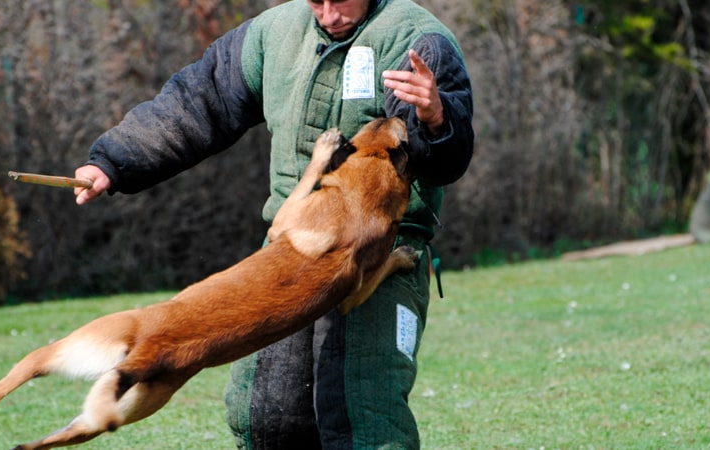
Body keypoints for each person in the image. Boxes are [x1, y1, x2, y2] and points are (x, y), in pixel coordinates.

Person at [74, 0, 473, 448]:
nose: (326, 13)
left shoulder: (414, 37)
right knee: (266, 418)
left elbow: (444, 161)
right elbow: (196, 102)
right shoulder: (273, 33)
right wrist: (113, 161)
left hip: (376, 251)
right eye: (315, 0)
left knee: (365, 417)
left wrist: (436, 119)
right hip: (289, 250)